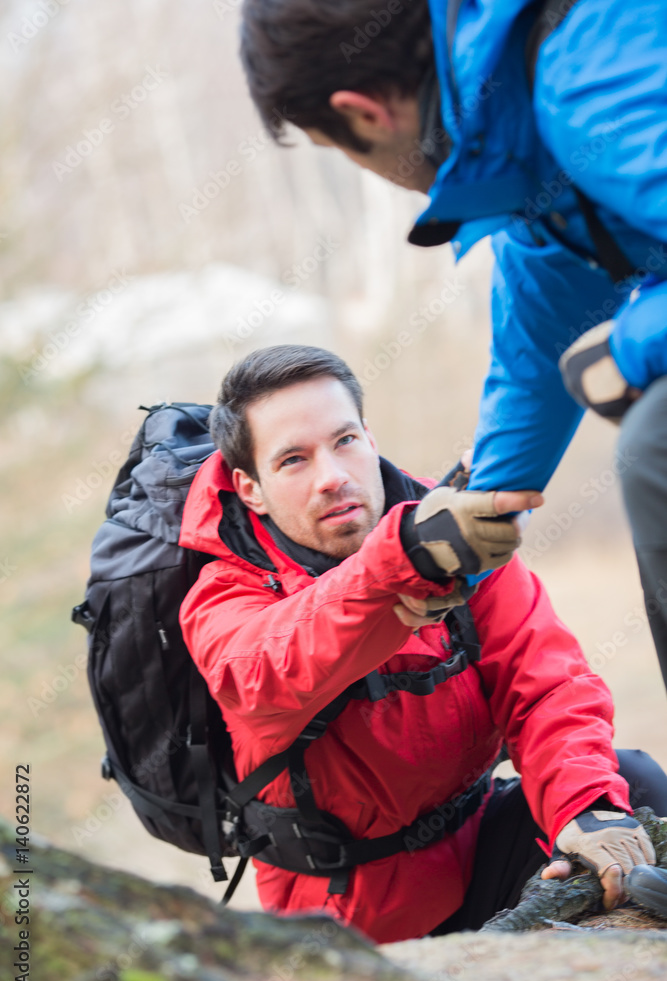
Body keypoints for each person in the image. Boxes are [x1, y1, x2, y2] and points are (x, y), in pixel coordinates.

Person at [238, 0, 667, 692]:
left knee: (656, 439)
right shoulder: (524, 129)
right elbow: (536, 345)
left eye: (341, 149)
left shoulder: (590, 77)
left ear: (365, 113)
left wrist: (632, 347)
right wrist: (461, 526)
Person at [179, 343, 667, 945]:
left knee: (632, 782)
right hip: (352, 915)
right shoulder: (224, 595)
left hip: (476, 844)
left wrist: (583, 809)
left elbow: (543, 681)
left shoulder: (455, 532)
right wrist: (406, 560)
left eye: (345, 440)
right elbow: (267, 670)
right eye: (293, 460)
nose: (333, 476)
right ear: (250, 488)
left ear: (370, 438)